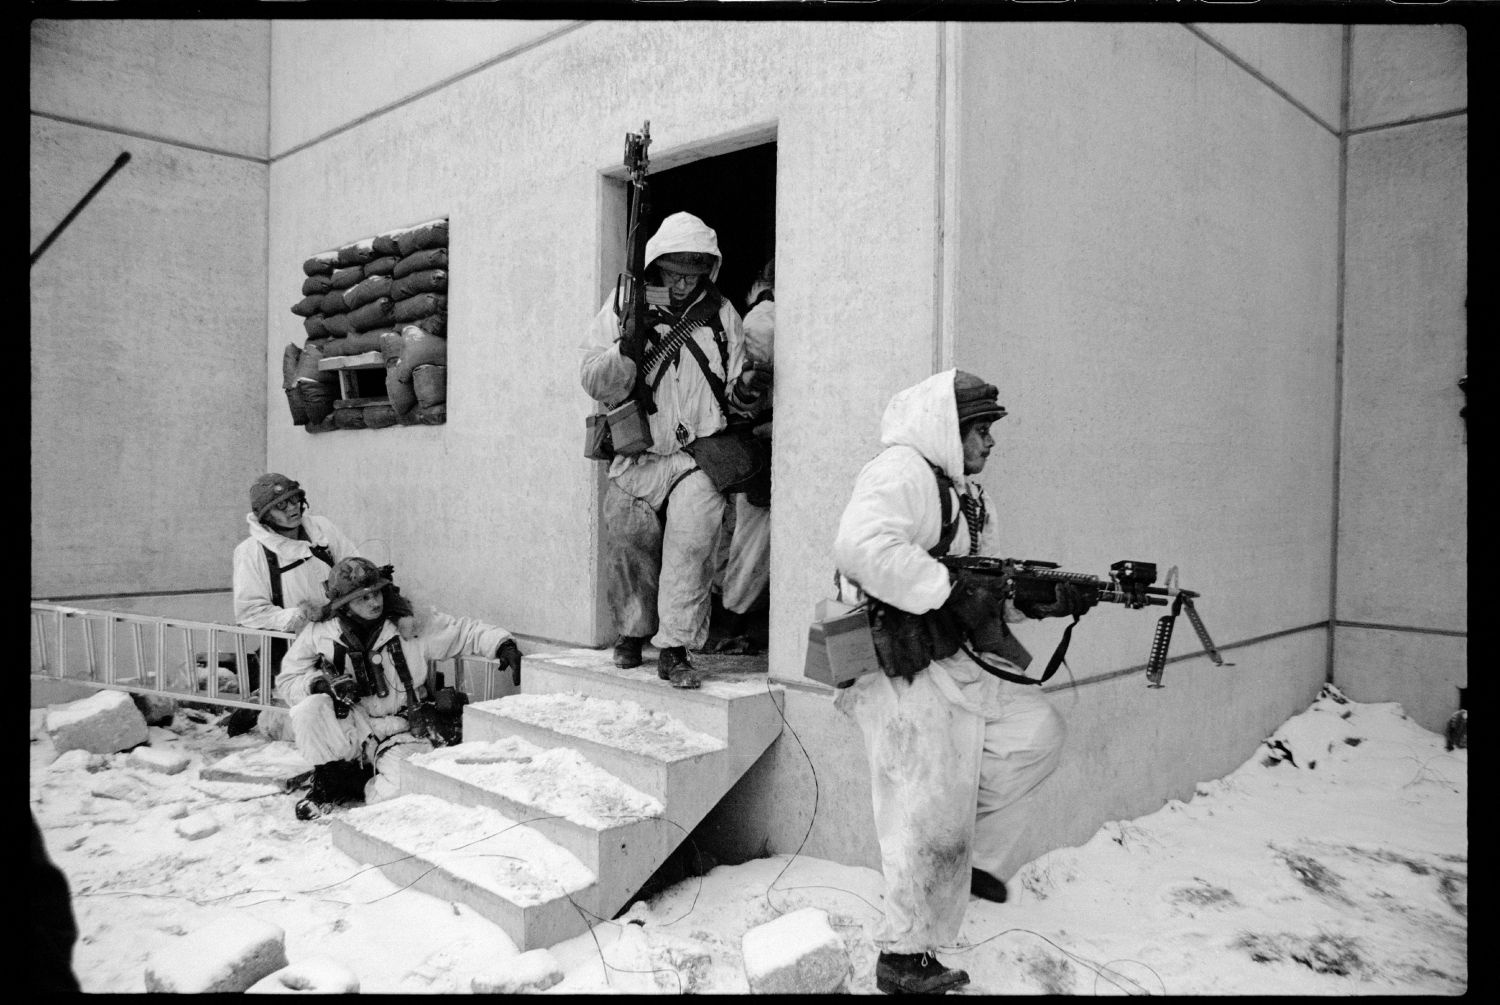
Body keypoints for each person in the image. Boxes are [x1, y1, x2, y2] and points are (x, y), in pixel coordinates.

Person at [831, 369, 1096, 995]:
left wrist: (1039, 603)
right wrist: (946, 588)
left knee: (1034, 735)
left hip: (948, 657)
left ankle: (966, 862)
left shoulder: (970, 497)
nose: (990, 444)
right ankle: (903, 955)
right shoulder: (901, 472)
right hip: (896, 663)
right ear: (950, 430)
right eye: (981, 431)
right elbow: (859, 546)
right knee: (924, 804)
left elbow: (984, 593)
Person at [580, 211, 770, 688]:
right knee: (628, 540)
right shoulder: (626, 304)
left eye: (694, 273)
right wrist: (625, 348)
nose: (684, 283)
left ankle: (677, 648)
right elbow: (591, 378)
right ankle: (631, 631)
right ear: (658, 267)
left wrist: (747, 389)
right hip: (638, 453)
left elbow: (734, 391)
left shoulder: (723, 314)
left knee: (692, 546)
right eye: (675, 273)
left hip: (697, 455)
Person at [277, 557, 522, 820]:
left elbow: (464, 632)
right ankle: (326, 780)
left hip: (404, 727)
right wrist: (319, 684)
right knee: (308, 711)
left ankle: (352, 781)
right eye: (363, 598)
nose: (374, 603)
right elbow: (287, 679)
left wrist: (501, 644)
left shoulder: (410, 626)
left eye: (377, 593)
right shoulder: (321, 632)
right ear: (344, 606)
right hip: (356, 724)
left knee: (396, 795)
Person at [229, 473, 410, 737]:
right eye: (281, 505)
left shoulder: (322, 529)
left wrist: (398, 607)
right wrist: (300, 616)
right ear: (265, 515)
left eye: (294, 500)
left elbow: (357, 570)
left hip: (343, 631)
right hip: (295, 645)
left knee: (363, 692)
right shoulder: (251, 552)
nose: (292, 508)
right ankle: (264, 712)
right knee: (309, 711)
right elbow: (250, 612)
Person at [713, 260, 775, 654]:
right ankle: (729, 621)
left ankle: (725, 617)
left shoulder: (758, 318)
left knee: (734, 536)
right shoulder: (763, 321)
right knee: (748, 541)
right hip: (757, 440)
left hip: (748, 438)